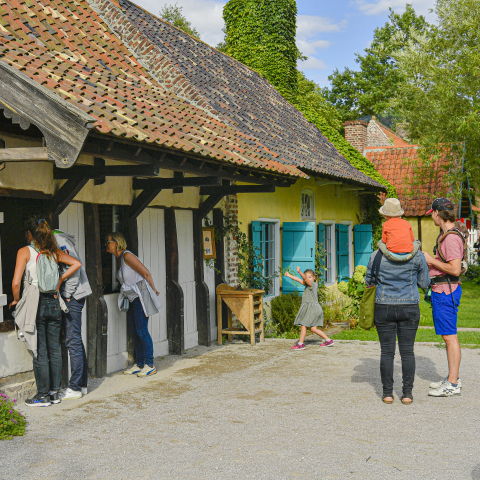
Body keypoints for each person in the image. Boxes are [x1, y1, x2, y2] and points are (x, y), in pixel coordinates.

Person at [10, 218, 81, 407]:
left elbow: (16, 283)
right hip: (54, 303)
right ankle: (54, 393)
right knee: (55, 349)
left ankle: (42, 396)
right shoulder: (53, 252)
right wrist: (59, 280)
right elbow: (76, 264)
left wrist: (17, 300)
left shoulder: (25, 252)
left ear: (30, 234)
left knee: (39, 350)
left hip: (36, 303)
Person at [365, 236, 430, 404]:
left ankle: (387, 394)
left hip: (384, 305)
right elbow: (424, 283)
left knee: (387, 352)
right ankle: (407, 394)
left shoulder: (377, 255)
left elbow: (369, 281)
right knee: (407, 352)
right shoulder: (417, 255)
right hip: (409, 306)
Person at [423, 198, 465, 397]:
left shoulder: (450, 238)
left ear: (438, 213)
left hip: (445, 292)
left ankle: (452, 384)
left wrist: (430, 260)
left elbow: (455, 268)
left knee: (450, 337)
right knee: (450, 336)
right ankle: (452, 378)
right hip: (444, 290)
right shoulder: (447, 235)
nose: (431, 216)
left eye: (432, 213)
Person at [106, 232, 160, 377]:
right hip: (131, 299)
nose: (106, 245)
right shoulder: (119, 259)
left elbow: (146, 273)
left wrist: (153, 290)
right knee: (135, 332)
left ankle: (150, 364)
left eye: (108, 242)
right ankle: (140, 363)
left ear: (116, 243)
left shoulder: (127, 256)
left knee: (142, 331)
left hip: (140, 297)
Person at [54, 229, 92, 400]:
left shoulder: (58, 239)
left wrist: (68, 294)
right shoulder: (58, 238)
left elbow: (75, 265)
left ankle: (75, 387)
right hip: (75, 295)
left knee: (72, 341)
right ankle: (82, 385)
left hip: (74, 296)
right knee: (75, 340)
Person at [284, 267, 333, 350]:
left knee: (303, 325)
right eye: (307, 277)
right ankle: (328, 340)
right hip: (313, 309)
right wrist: (289, 275)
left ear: (314, 277)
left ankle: (300, 344)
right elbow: (298, 280)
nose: (308, 279)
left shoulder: (313, 285)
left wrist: (299, 271)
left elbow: (304, 279)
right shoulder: (307, 285)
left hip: (313, 309)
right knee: (313, 328)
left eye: (310, 277)